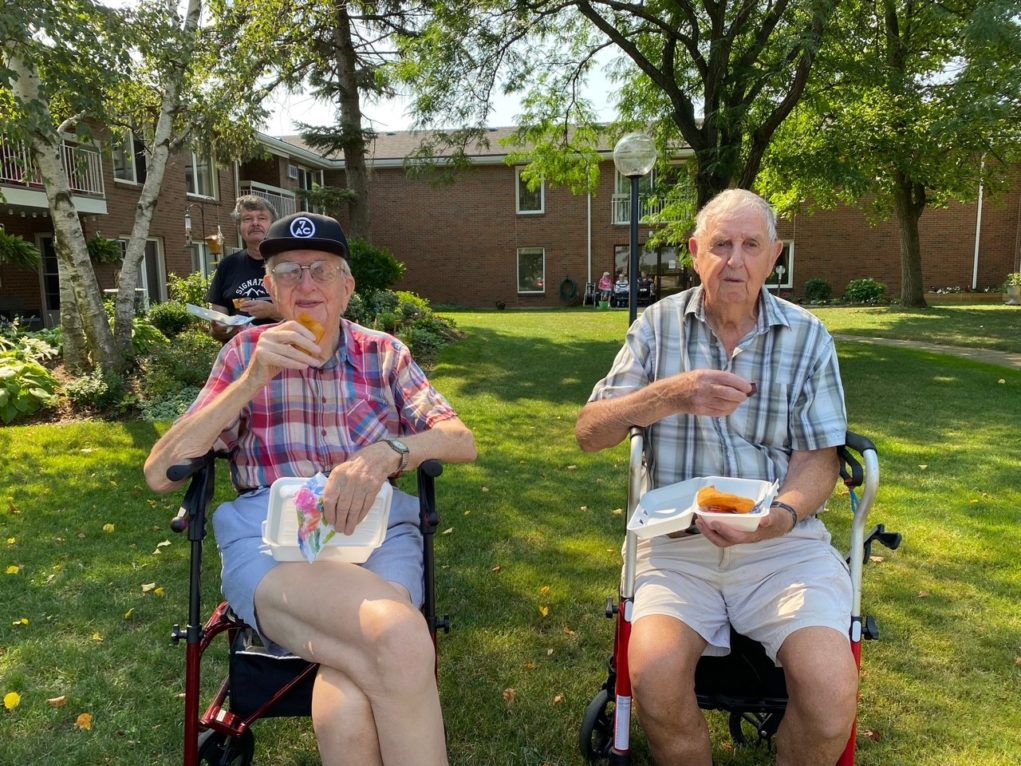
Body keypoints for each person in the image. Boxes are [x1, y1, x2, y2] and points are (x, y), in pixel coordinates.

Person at [145, 212, 477, 765]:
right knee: (397, 636)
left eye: (321, 271)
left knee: (348, 700)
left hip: (376, 538)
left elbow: (459, 439)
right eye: (289, 272)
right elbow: (161, 472)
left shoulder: (383, 353)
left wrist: (386, 452)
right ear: (269, 287)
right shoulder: (241, 355)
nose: (306, 286)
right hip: (272, 547)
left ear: (347, 288)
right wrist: (252, 380)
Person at [576, 189, 853, 766]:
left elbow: (819, 458)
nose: (735, 260)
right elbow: (590, 432)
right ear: (695, 251)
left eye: (751, 245)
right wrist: (670, 394)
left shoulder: (807, 336)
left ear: (773, 256)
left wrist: (780, 518)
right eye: (721, 244)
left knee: (830, 698)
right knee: (653, 678)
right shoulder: (656, 327)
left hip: (783, 548)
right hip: (677, 548)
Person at [206, 195, 284, 342]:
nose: (255, 223)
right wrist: (221, 330)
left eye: (262, 218)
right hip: (240, 357)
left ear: (273, 224)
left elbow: (309, 317)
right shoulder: (227, 266)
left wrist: (272, 311)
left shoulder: (289, 264)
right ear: (238, 227)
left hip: (284, 354)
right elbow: (216, 328)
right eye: (247, 219)